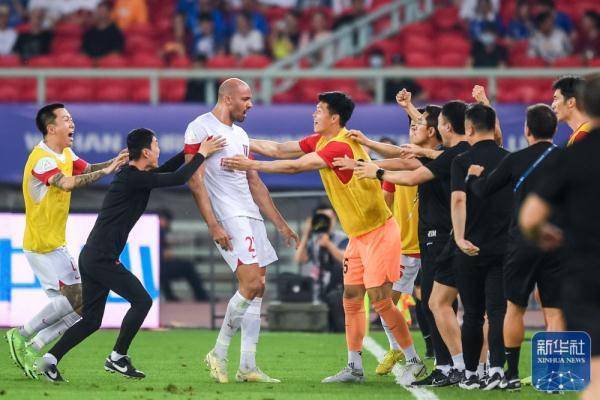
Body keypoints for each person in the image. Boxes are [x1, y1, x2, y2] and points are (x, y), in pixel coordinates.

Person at [222, 91, 427, 385]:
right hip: (358, 236)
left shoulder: (339, 145)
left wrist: (251, 165)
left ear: (334, 117)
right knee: (351, 297)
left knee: (381, 301)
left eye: (319, 110)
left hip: (380, 232)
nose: (314, 114)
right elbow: (280, 149)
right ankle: (354, 367)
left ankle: (415, 362)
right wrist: (238, 140)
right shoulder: (321, 140)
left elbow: (295, 166)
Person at [35, 129, 225, 382]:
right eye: (156, 145)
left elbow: (166, 171)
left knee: (91, 321)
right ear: (146, 152)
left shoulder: (134, 176)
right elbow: (178, 177)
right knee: (142, 301)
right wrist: (201, 154)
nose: (158, 149)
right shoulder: (134, 178)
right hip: (101, 258)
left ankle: (49, 360)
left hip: (93, 256)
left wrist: (189, 150)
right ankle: (117, 357)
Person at [184, 78, 298, 384]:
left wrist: (280, 223)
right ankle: (218, 353)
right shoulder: (200, 127)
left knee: (259, 286)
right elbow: (195, 180)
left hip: (250, 215)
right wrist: (213, 224)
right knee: (250, 282)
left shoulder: (241, 135)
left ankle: (247, 366)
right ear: (227, 99)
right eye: (245, 99)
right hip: (228, 215)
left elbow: (254, 181)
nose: (250, 104)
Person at [6, 103, 128, 379]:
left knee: (79, 307)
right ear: (52, 128)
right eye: (66, 119)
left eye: (72, 119)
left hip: (54, 241)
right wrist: (106, 171)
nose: (72, 124)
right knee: (78, 299)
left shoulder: (66, 154)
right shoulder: (42, 159)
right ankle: (21, 335)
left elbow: (86, 169)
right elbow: (68, 183)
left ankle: (33, 347)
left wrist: (113, 163)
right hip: (42, 243)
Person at [466, 104, 564, 390]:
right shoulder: (567, 160)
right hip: (557, 244)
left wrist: (472, 177)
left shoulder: (515, 159)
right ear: (555, 129)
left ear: (527, 130)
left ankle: (510, 374)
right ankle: (553, 376)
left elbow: (483, 191)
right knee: (555, 312)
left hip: (522, 243)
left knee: (514, 308)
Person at [520, 73, 600, 400]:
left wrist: (544, 233)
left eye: (556, 98)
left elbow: (531, 217)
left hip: (586, 266)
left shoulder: (576, 151)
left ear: (575, 102)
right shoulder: (572, 143)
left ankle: (558, 373)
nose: (552, 104)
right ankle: (556, 371)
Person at [448, 104, 510, 390]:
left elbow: (459, 199)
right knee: (497, 313)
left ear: (469, 128)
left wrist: (460, 238)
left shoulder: (462, 160)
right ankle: (496, 369)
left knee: (472, 314)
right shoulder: (509, 158)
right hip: (502, 247)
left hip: (470, 246)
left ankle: (471, 373)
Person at [294, 204, 347, 302]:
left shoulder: (342, 237)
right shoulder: (314, 239)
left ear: (334, 220)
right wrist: (306, 234)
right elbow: (299, 259)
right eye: (321, 218)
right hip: (316, 293)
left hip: (338, 292)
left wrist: (328, 244)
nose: (325, 222)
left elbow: (346, 259)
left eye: (328, 218)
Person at [159, 209, 209, 302]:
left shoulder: (152, 229)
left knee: (175, 266)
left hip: (154, 267)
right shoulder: (159, 230)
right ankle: (201, 296)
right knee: (188, 267)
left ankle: (170, 296)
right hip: (159, 266)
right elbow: (166, 254)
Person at [551, 76, 591, 146]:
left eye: (556, 99)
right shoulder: (582, 134)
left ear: (571, 102)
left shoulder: (583, 136)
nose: (552, 105)